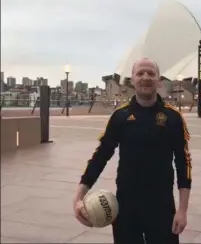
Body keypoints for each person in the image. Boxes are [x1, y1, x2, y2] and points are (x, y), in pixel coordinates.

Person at [73, 58, 192, 244]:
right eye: (140, 73)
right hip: (126, 207)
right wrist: (79, 196)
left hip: (161, 206)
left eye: (151, 73)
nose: (146, 77)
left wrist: (182, 210)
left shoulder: (173, 117)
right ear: (132, 79)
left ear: (159, 80)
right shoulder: (120, 116)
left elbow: (183, 163)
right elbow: (101, 156)